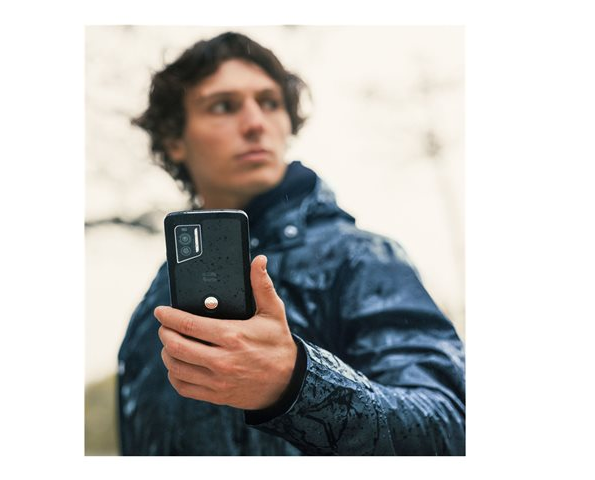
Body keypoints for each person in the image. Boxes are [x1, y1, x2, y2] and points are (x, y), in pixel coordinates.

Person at [117, 31, 465, 455]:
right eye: (223, 106)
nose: (256, 123)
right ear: (175, 139)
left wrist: (296, 383)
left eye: (270, 103)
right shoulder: (153, 306)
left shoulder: (360, 258)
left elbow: (453, 426)